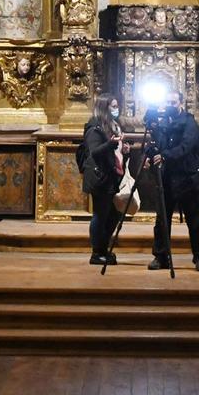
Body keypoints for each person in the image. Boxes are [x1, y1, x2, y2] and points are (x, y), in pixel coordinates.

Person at [147, 93, 199, 271]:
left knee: (193, 220)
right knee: (162, 219)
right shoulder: (164, 122)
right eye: (167, 102)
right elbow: (157, 144)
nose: (169, 105)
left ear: (181, 103)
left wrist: (165, 155)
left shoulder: (189, 123)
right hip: (167, 177)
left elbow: (186, 146)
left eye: (173, 102)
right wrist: (150, 154)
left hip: (187, 177)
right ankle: (161, 256)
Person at [80, 94, 124, 266]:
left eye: (116, 106)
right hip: (99, 177)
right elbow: (94, 151)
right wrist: (111, 145)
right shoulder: (95, 127)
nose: (116, 109)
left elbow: (113, 152)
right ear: (105, 108)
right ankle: (97, 253)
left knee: (114, 214)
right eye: (113, 106)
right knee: (101, 214)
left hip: (110, 175)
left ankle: (104, 248)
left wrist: (123, 150)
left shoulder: (112, 126)